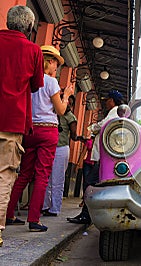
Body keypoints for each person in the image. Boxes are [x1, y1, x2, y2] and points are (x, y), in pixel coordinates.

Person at [6, 45, 74, 232]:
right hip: (48, 132)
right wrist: (66, 96)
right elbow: (60, 110)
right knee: (42, 174)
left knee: (24, 174)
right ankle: (34, 219)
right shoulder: (51, 82)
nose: (56, 69)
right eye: (56, 65)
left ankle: (8, 214)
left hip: (30, 131)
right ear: (50, 62)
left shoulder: (30, 81)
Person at [0, 5, 44, 247]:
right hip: (12, 121)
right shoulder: (33, 50)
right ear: (29, 27)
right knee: (4, 175)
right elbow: (37, 84)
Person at [67, 90, 124, 224]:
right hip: (103, 157)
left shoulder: (115, 112)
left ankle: (86, 215)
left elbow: (103, 124)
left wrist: (91, 127)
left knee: (90, 185)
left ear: (112, 100)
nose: (106, 102)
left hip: (103, 157)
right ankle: (88, 215)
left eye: (108, 99)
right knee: (93, 185)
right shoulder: (117, 112)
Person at [42, 96, 78, 216]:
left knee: (57, 180)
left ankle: (55, 208)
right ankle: (45, 206)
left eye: (70, 104)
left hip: (61, 148)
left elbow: (73, 136)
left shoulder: (71, 117)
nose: (68, 105)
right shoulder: (54, 112)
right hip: (49, 147)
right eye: (67, 102)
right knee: (46, 178)